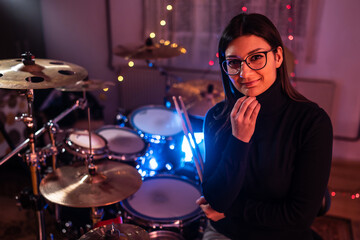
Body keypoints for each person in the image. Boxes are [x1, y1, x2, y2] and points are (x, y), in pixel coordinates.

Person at [196, 13, 333, 240]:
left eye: (256, 57)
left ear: (278, 57)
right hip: (227, 233)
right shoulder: (217, 117)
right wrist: (239, 140)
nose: (245, 73)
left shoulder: (312, 122)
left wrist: (231, 210)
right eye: (234, 62)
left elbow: (300, 217)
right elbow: (216, 198)